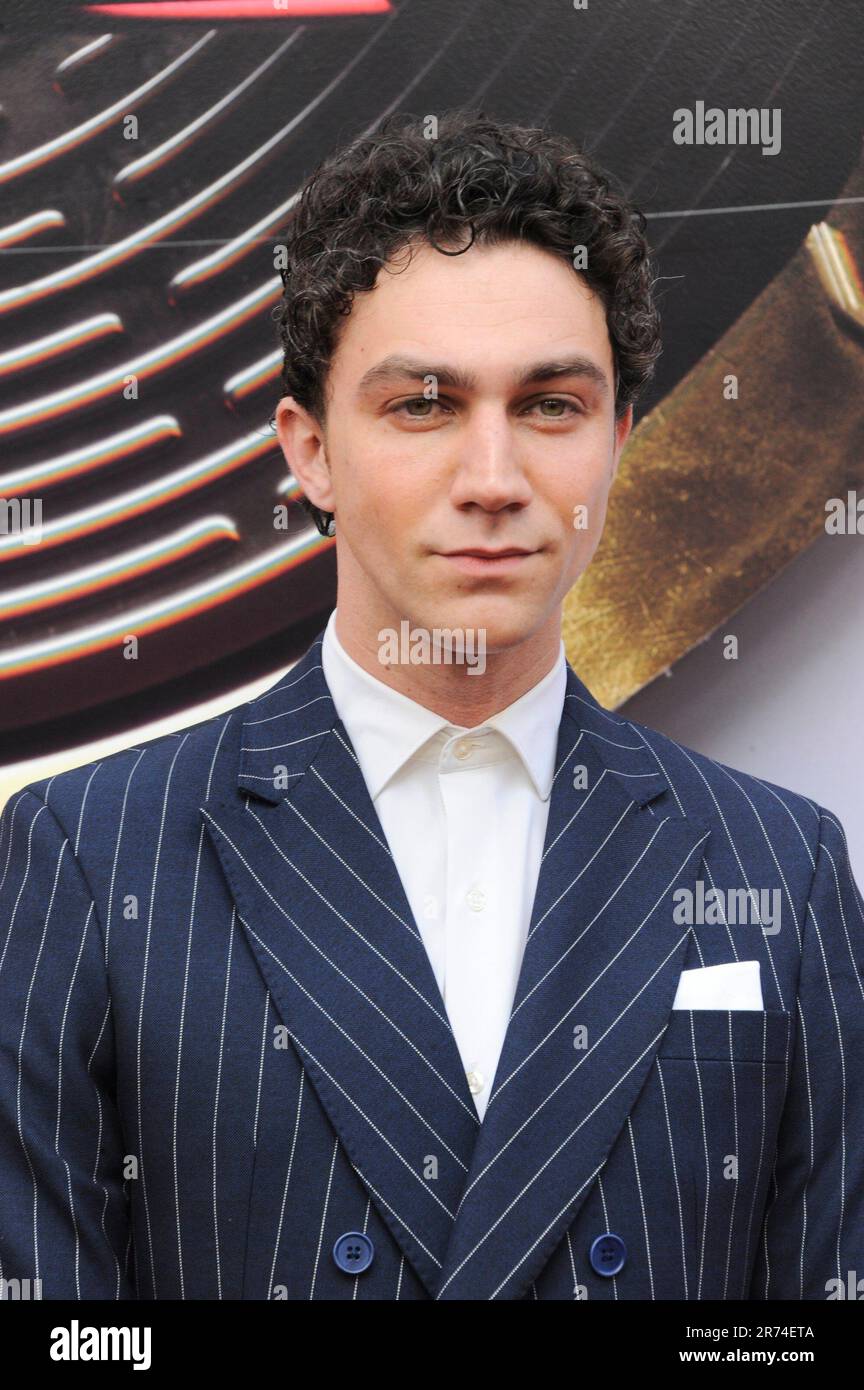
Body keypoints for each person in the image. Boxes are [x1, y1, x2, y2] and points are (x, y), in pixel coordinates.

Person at [1, 110, 862, 1302]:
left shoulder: (786, 866)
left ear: (616, 441)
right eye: (424, 405)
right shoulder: (90, 856)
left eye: (551, 407)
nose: (495, 480)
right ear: (309, 451)